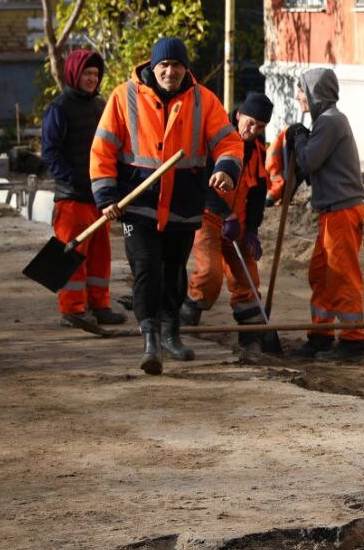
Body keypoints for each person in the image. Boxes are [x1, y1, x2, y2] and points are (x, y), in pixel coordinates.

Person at [91, 36, 244, 375]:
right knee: (147, 267)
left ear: (185, 68)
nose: (170, 72)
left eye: (176, 66)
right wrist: (105, 197)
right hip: (138, 204)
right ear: (152, 66)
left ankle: (171, 331)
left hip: (183, 203)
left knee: (175, 270)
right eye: (164, 65)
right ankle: (150, 339)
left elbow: (229, 142)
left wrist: (225, 170)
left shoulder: (203, 100)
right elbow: (102, 150)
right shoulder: (124, 97)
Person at [182, 92, 281, 353]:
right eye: (250, 122)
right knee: (209, 275)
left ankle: (252, 336)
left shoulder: (259, 150)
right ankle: (183, 320)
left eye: (260, 127)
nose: (253, 130)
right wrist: (226, 215)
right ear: (238, 115)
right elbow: (203, 183)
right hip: (209, 217)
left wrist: (251, 230)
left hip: (239, 223)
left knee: (247, 280)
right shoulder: (218, 141)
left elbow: (258, 194)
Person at [286, 68, 364, 362]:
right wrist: (302, 136)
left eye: (301, 90)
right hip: (331, 213)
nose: (298, 96)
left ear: (314, 93)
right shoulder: (324, 123)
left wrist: (298, 139)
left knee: (342, 276)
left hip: (342, 212)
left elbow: (308, 161)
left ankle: (353, 341)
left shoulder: (332, 122)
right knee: (321, 274)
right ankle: (319, 336)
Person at [43, 49, 127, 327]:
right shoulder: (59, 108)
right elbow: (51, 152)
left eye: (95, 74)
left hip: (98, 197)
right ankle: (71, 309)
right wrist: (73, 178)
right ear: (74, 74)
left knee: (101, 255)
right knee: (71, 255)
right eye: (87, 74)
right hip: (71, 199)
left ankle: (100, 305)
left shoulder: (101, 106)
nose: (92, 79)